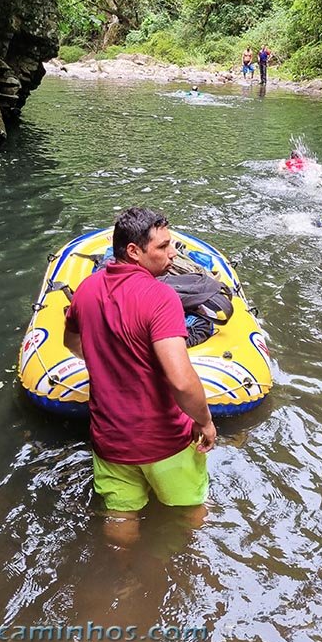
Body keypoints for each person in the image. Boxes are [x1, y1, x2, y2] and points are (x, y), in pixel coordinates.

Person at [63, 207, 216, 528]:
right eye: (162, 247)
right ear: (133, 251)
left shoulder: (86, 291)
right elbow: (181, 380)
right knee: (191, 513)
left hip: (110, 442)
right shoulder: (161, 297)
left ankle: (125, 575)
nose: (172, 253)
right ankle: (194, 575)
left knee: (121, 518)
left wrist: (109, 359)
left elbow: (72, 344)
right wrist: (204, 421)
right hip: (164, 441)